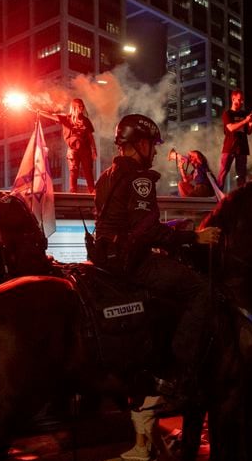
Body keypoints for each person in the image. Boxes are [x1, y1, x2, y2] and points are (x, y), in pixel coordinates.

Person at [91, 114, 221, 408]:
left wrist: (170, 227)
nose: (156, 151)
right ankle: (178, 371)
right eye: (152, 144)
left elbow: (121, 223)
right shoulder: (140, 179)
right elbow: (146, 230)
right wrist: (195, 238)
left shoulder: (105, 177)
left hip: (106, 260)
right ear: (138, 144)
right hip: (132, 262)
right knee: (201, 289)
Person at [42, 98, 97, 193]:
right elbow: (52, 116)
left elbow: (90, 136)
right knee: (73, 171)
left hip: (86, 150)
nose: (81, 108)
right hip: (73, 150)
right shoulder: (67, 118)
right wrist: (39, 112)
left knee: (88, 172)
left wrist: (94, 150)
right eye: (79, 106)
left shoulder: (86, 120)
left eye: (82, 106)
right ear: (74, 107)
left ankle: (92, 192)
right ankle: (73, 192)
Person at [217, 89, 252, 190]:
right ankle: (217, 194)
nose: (241, 102)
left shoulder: (244, 114)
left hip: (242, 148)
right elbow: (231, 128)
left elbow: (248, 132)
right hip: (229, 147)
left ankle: (241, 195)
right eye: (239, 99)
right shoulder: (227, 114)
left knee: (242, 174)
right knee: (223, 172)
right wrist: (245, 121)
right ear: (233, 99)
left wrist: (250, 125)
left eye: (242, 100)